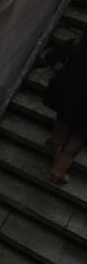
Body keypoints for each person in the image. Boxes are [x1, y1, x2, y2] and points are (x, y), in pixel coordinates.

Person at [43, 36, 87, 184]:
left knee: (63, 115)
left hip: (67, 92)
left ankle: (56, 142)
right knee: (79, 134)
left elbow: (50, 57)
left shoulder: (78, 41)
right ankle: (58, 171)